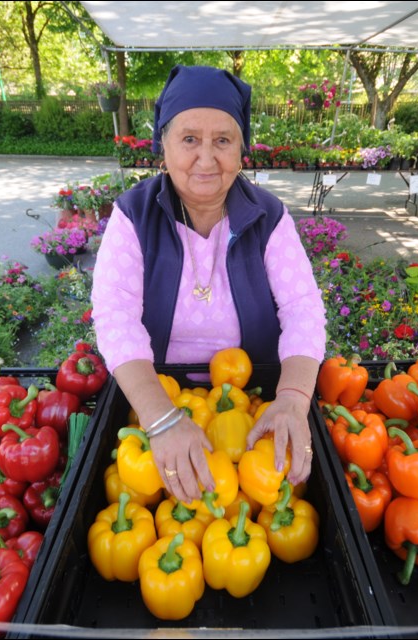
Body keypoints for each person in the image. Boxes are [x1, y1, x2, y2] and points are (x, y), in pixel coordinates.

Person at [91, 65, 327, 504]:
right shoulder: (133, 216)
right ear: (162, 144)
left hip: (251, 401)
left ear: (242, 150)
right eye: (189, 139)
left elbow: (303, 308)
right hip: (159, 394)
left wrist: (293, 397)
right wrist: (160, 419)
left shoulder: (269, 217)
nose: (206, 158)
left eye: (223, 140)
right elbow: (114, 316)